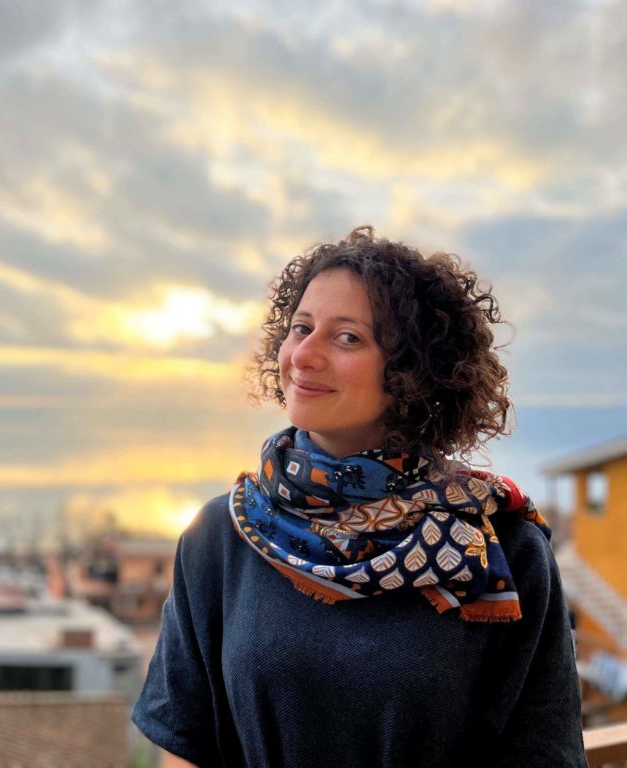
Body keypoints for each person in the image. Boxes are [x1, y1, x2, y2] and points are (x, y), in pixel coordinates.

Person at [132, 227, 586, 768]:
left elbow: (544, 753)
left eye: (347, 337)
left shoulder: (498, 546)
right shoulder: (222, 535)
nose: (304, 355)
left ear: (413, 371)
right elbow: (185, 745)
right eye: (301, 328)